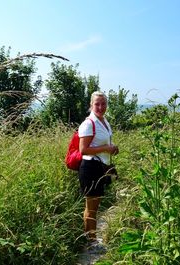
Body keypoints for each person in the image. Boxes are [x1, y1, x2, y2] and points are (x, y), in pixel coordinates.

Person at [78, 91, 119, 246]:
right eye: (97, 104)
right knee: (91, 208)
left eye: (103, 104)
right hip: (90, 168)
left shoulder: (104, 121)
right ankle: (91, 242)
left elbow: (102, 145)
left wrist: (111, 148)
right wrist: (106, 148)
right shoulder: (89, 124)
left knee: (94, 206)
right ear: (91, 105)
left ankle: (91, 238)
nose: (100, 107)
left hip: (99, 167)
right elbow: (83, 149)